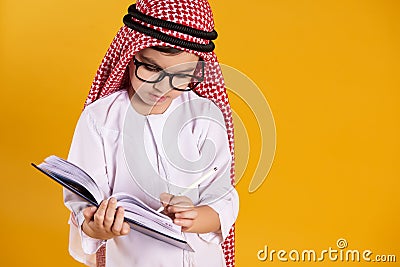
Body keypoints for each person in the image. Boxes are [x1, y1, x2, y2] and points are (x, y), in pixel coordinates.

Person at [63, 0, 238, 266]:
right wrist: (97, 227)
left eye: (181, 75)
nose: (162, 87)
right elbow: (81, 204)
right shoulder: (100, 119)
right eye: (151, 68)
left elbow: (222, 196)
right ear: (129, 58)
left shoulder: (203, 115)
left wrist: (195, 216)